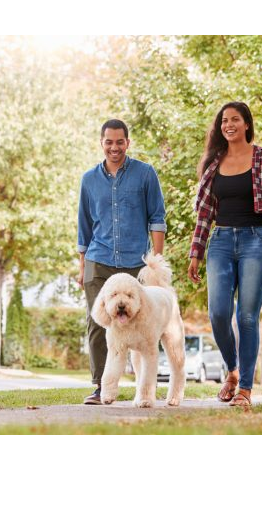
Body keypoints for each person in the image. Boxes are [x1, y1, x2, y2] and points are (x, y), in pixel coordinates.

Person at [187, 102, 262, 408]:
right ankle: (233, 371)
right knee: (218, 313)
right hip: (221, 242)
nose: (229, 124)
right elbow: (204, 214)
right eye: (224, 120)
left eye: (235, 119)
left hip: (257, 242)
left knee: (247, 316)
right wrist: (195, 252)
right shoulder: (214, 163)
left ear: (246, 124)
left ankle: (246, 390)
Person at [77, 118, 167, 404]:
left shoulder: (145, 174)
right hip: (98, 258)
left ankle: (144, 387)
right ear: (101, 142)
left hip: (134, 262)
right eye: (108, 142)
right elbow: (84, 226)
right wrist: (82, 268)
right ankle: (101, 387)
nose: (113, 147)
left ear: (127, 143)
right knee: (98, 323)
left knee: (142, 323)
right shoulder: (89, 180)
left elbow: (157, 218)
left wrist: (155, 260)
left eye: (119, 142)